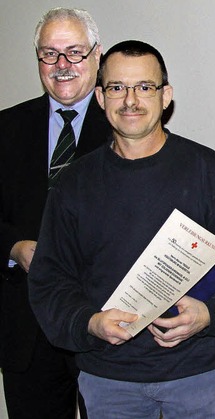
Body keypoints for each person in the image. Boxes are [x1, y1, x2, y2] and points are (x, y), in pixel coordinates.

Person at [28, 40, 215, 418]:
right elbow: (49, 280)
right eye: (117, 88)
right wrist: (90, 323)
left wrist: (208, 315)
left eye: (145, 87)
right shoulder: (74, 184)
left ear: (166, 96)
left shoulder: (207, 169)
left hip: (198, 376)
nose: (130, 100)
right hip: (107, 379)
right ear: (99, 97)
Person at [0, 7, 109, 418]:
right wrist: (15, 246)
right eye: (50, 54)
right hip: (27, 329)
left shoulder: (125, 128)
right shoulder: (6, 129)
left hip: (103, 322)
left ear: (97, 55)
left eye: (75, 52)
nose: (62, 65)